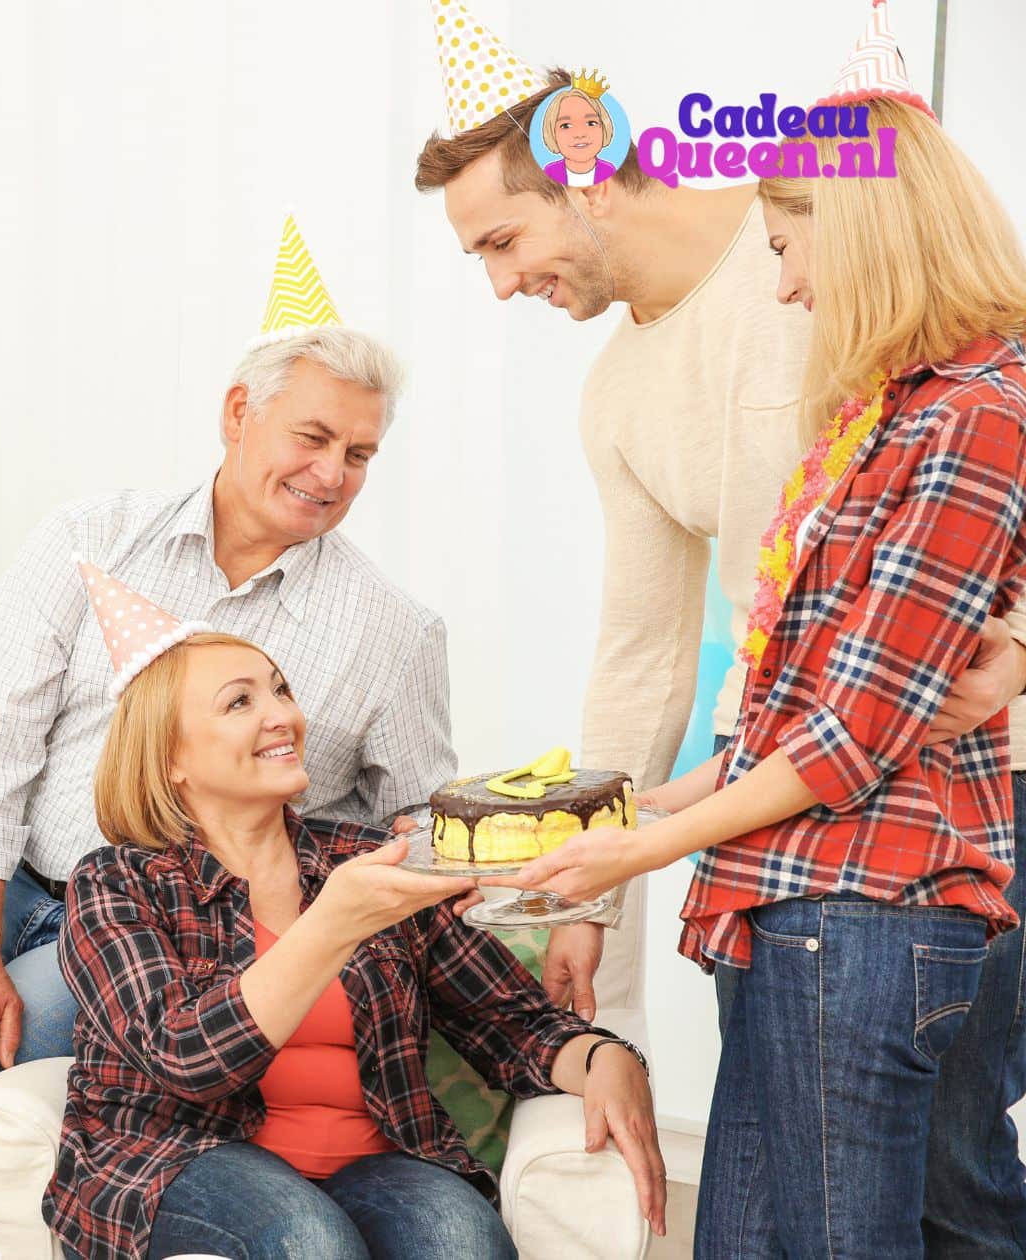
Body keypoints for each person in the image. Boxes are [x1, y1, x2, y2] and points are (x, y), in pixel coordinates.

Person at [0, 218, 458, 1253]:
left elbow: (418, 823)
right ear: (236, 413)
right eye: (311, 438)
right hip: (17, 882)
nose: (331, 474)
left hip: (158, 935)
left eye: (358, 454)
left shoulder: (390, 630)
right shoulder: (88, 538)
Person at [491, 64, 1026, 1254]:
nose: (778, 282)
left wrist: (642, 841)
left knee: (948, 1194)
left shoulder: (970, 407)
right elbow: (763, 691)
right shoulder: (863, 413)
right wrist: (623, 827)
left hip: (883, 871)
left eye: (788, 245)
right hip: (777, 868)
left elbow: (854, 727)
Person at [413, 29, 1025, 1019]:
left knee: (946, 1152)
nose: (496, 284)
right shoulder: (614, 399)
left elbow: (991, 410)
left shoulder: (821, 227)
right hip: (769, 790)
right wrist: (591, 903)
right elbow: (639, 661)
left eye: (501, 241)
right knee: (796, 1141)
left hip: (964, 773)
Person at [46, 561, 662, 1260]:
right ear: (171, 758)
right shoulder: (116, 883)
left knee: (462, 1244)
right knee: (312, 1242)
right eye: (239, 702)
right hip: (181, 1157)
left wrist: (603, 1057)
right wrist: (333, 922)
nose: (282, 714)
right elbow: (186, 1057)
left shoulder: (367, 859)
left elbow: (508, 1020)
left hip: (377, 1160)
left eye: (280, 689)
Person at [539, 80, 616, 186]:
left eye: (591, 123)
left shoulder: (609, 171)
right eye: (566, 126)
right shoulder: (550, 172)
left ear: (604, 127)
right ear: (552, 133)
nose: (580, 134)